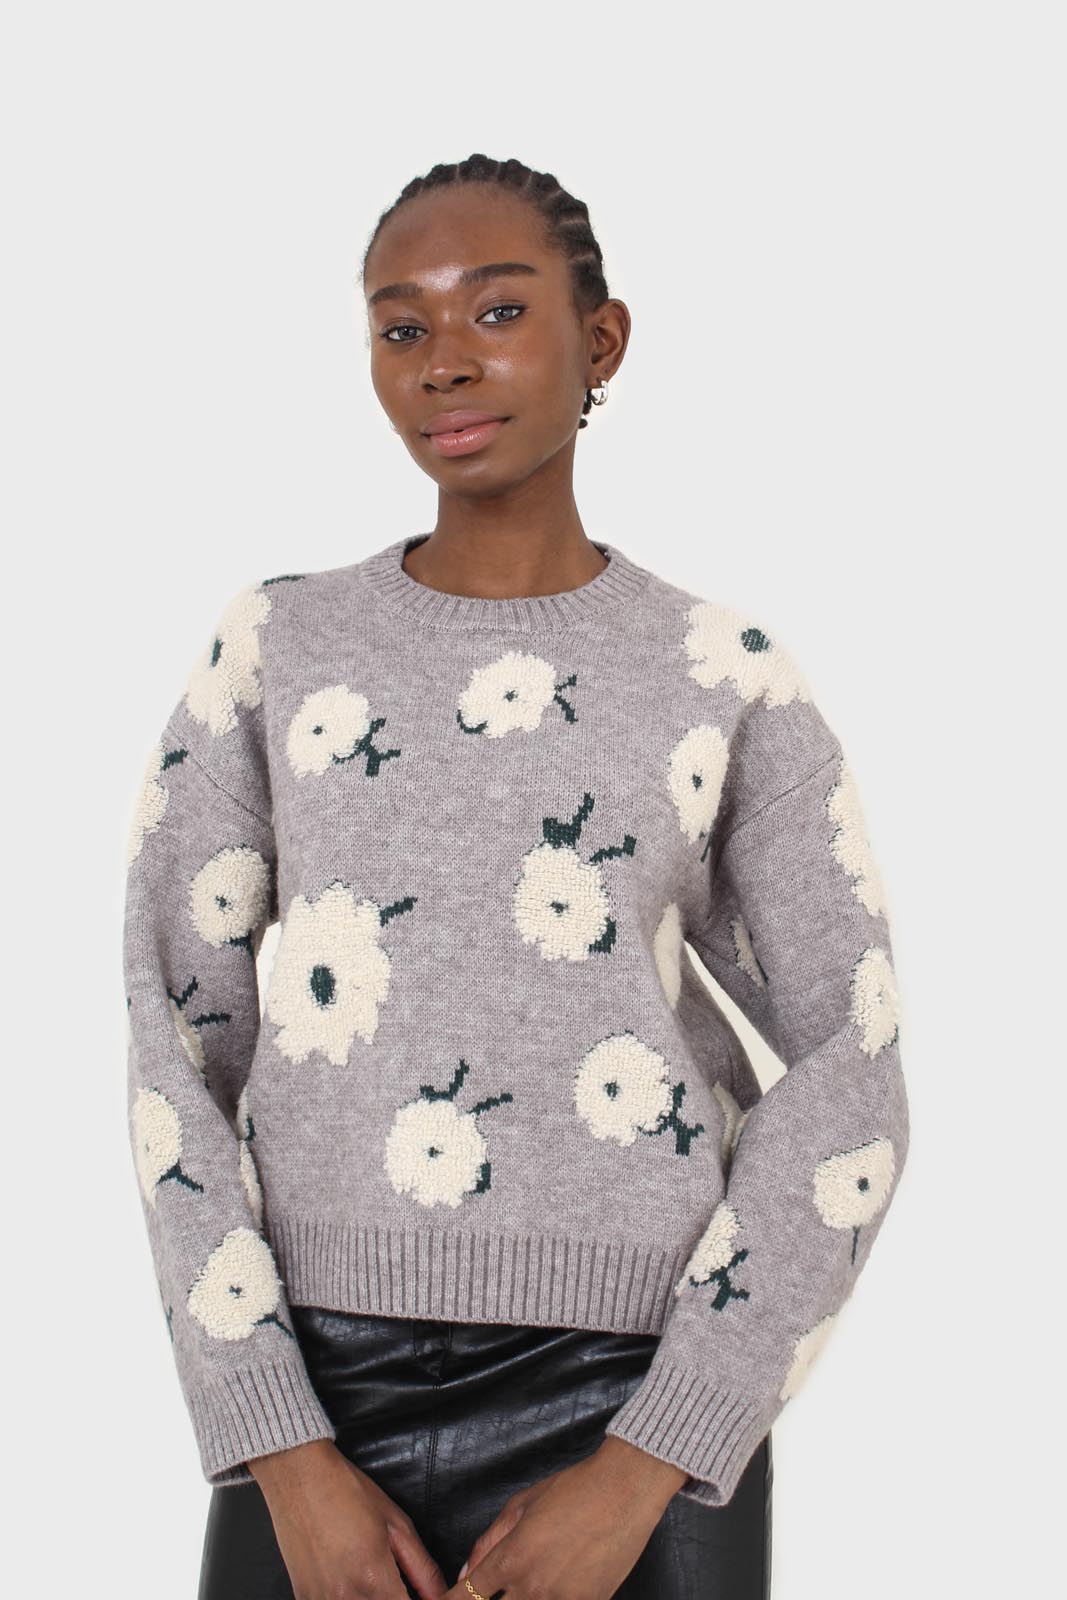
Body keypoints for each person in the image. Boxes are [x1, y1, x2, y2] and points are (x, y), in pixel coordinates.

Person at [123, 153, 909, 1600]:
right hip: (318, 1398)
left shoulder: (722, 674)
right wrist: (277, 1443)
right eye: (400, 325)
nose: (444, 362)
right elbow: (177, 1052)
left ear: (601, 341)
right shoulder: (278, 647)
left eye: (497, 311)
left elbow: (850, 1070)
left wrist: (654, 1455)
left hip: (636, 1402)